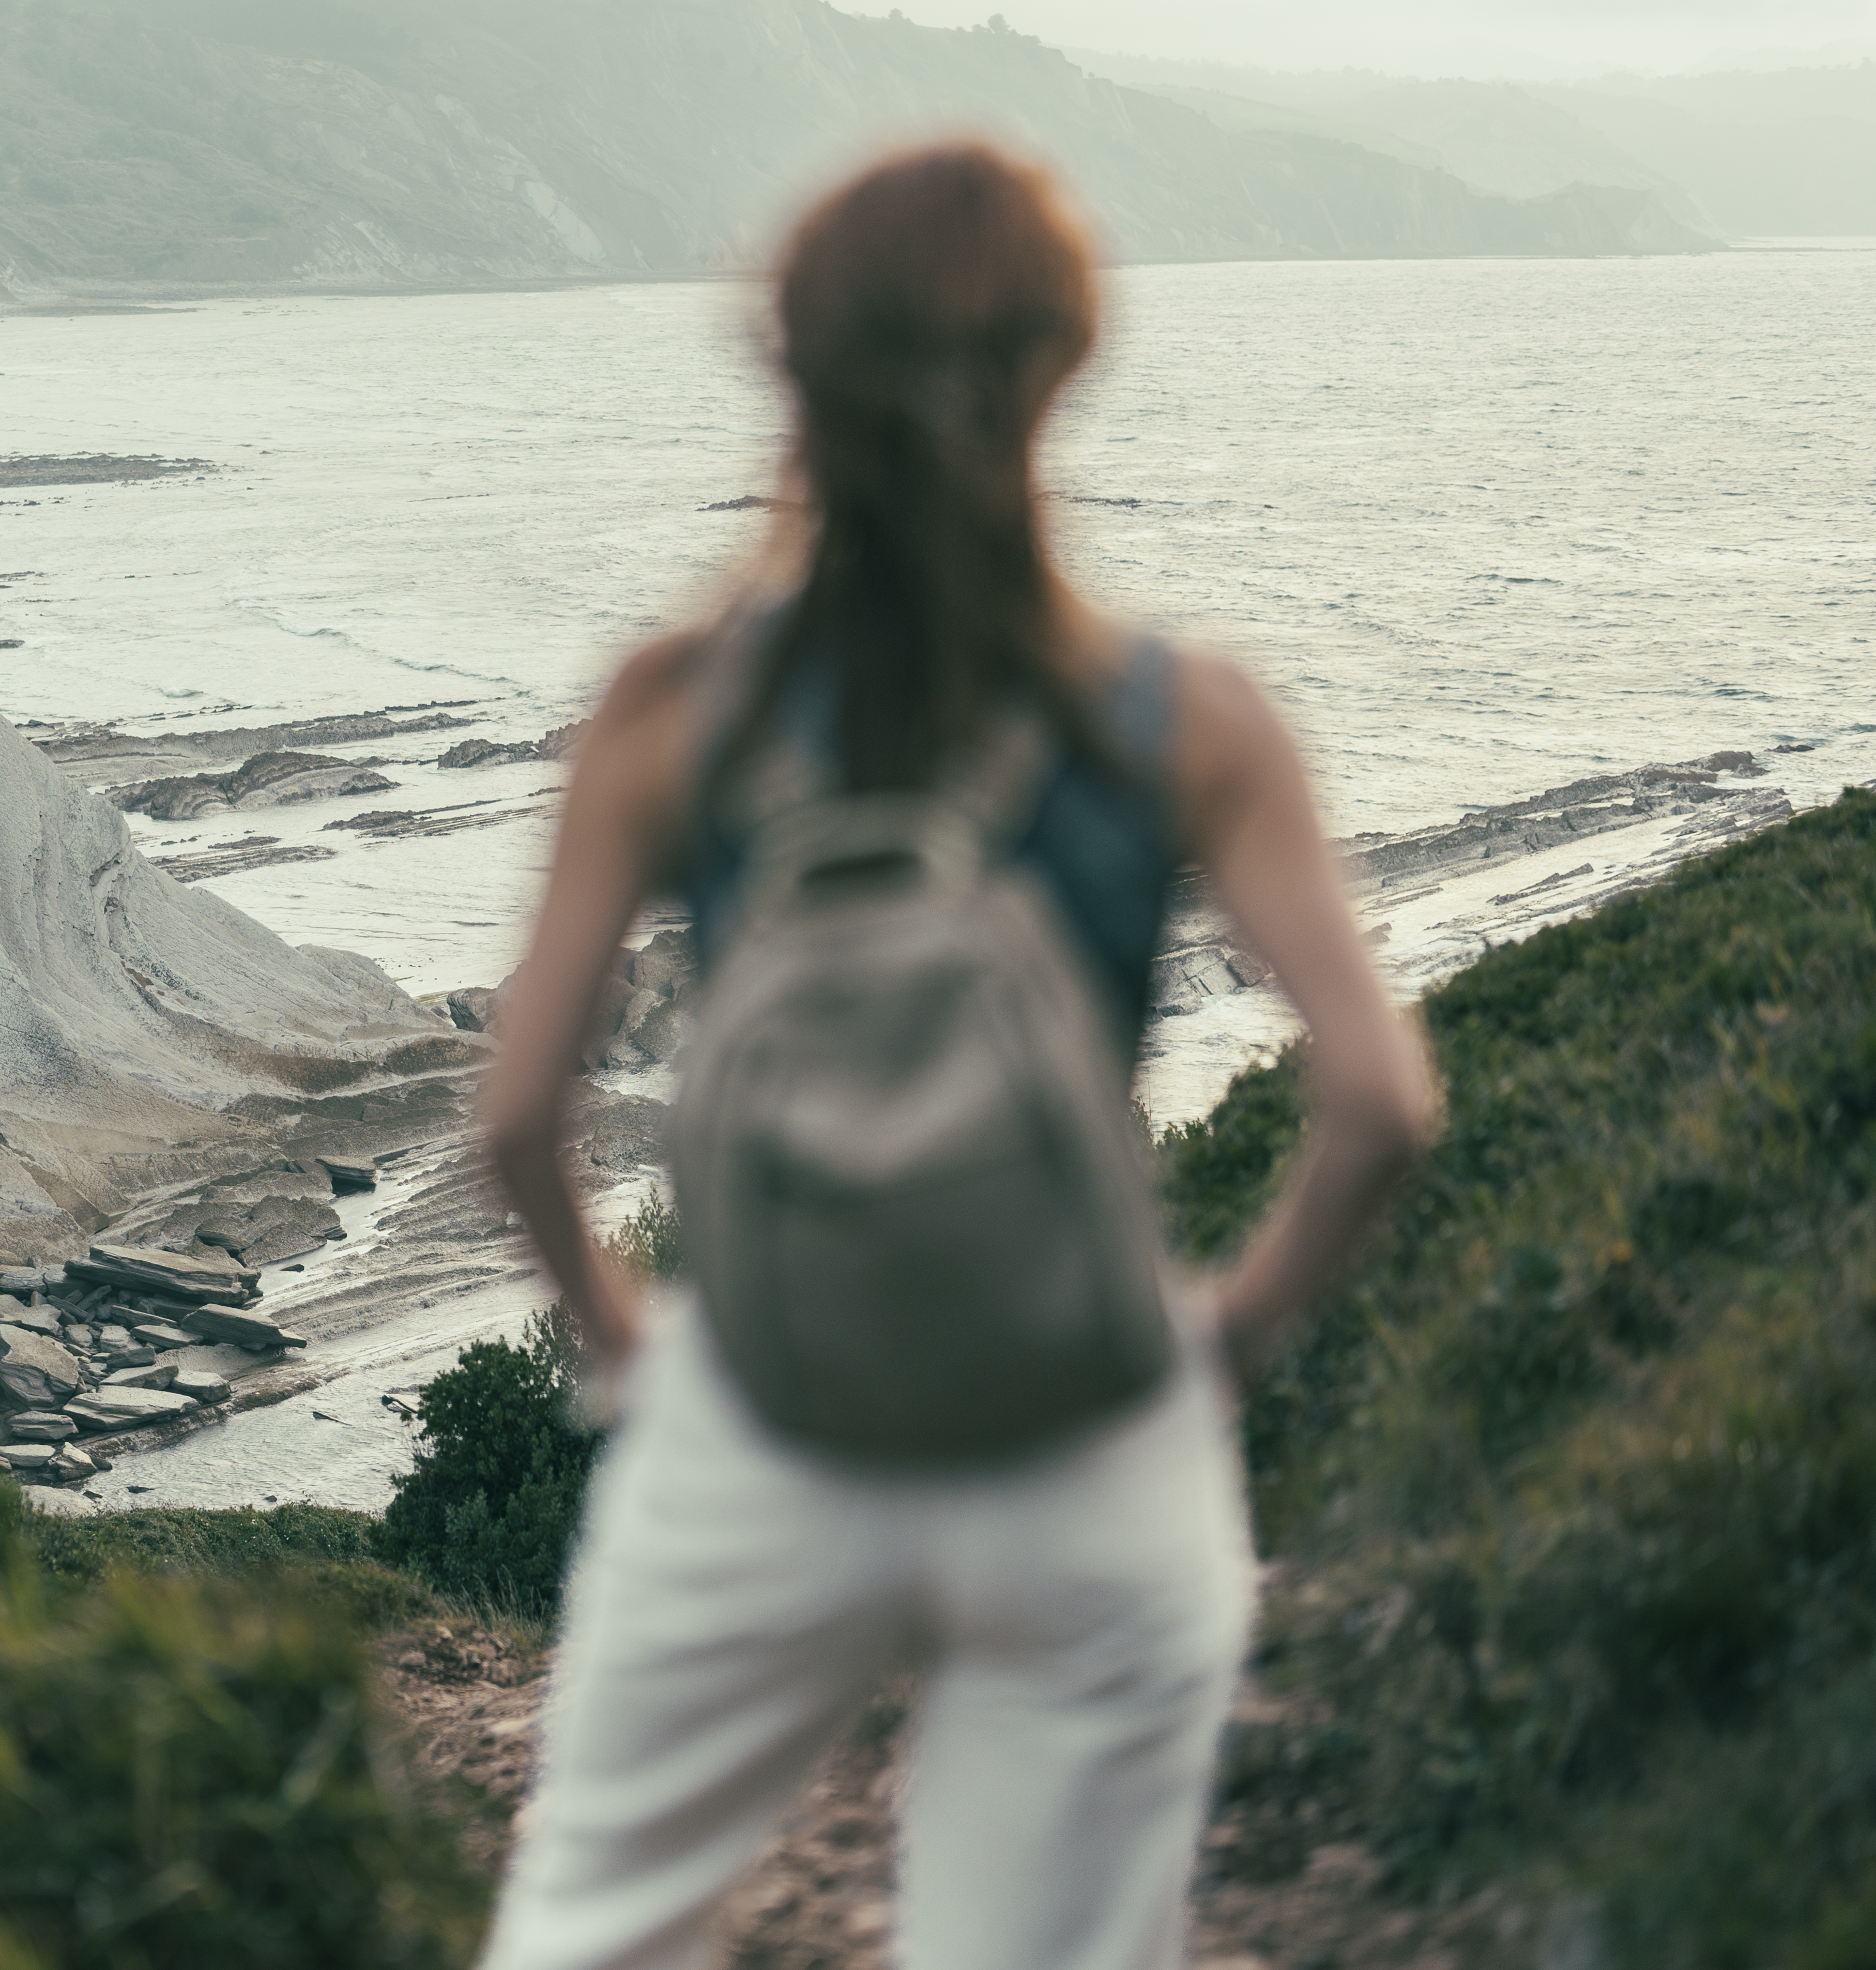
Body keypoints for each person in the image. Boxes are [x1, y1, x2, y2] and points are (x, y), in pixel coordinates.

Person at [473, 141, 1440, 1970]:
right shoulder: (1188, 722)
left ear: (788, 366)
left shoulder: (672, 713)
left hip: (762, 1425)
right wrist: (1214, 1341)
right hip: (1083, 1439)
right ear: (1066, 368)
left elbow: (516, 1116)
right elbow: (1379, 1103)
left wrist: (626, 1346)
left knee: (588, 1935)